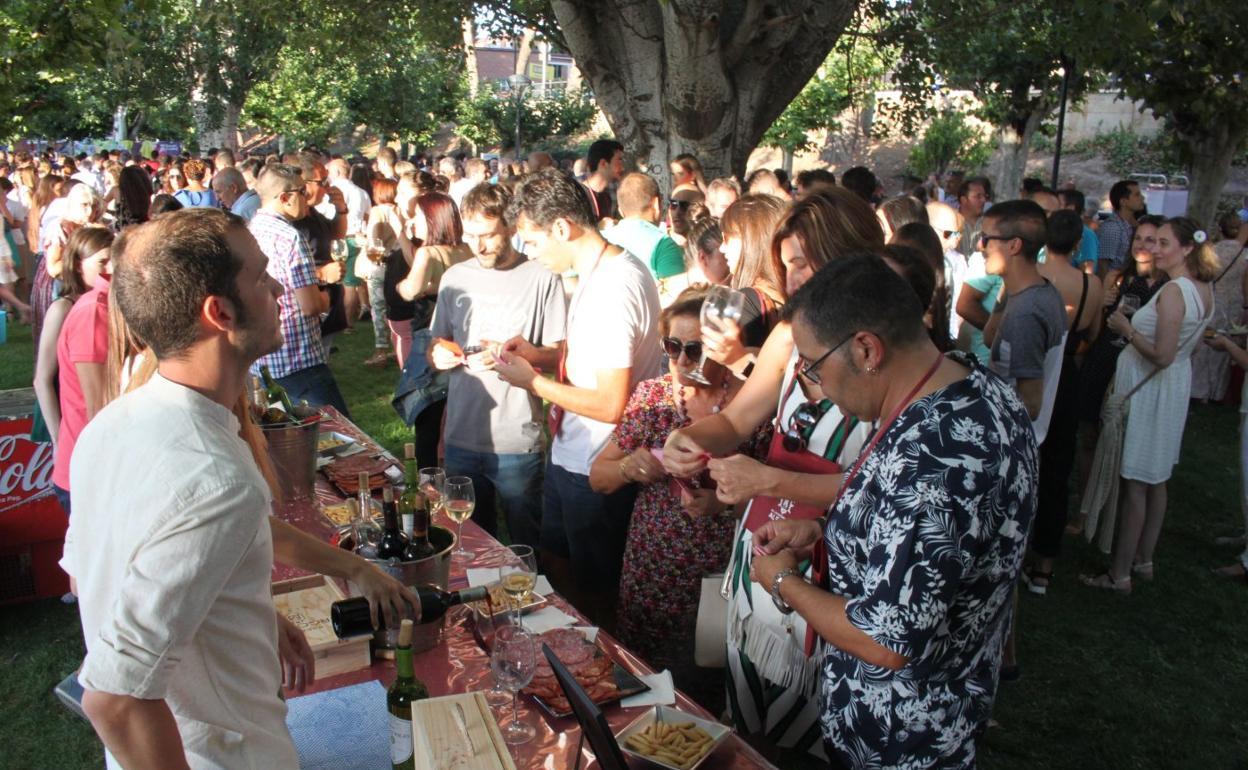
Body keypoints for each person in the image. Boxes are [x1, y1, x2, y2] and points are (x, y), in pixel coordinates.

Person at [750, 254, 1036, 769]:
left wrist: (781, 581)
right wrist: (821, 529)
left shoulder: (935, 459)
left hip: (901, 737)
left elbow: (886, 640)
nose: (817, 383)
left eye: (815, 365)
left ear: (865, 349)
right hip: (937, 713)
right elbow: (915, 532)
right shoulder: (970, 386)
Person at [63, 208, 303, 768]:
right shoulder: (218, 481)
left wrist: (243, 613)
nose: (277, 289)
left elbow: (95, 571)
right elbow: (115, 698)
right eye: (262, 276)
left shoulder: (112, 425)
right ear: (219, 312)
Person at [661, 196, 882, 763]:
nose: (794, 276)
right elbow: (738, 419)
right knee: (750, 713)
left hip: (835, 564)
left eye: (805, 261)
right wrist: (689, 439)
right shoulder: (789, 333)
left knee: (811, 736)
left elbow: (878, 484)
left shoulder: (882, 351)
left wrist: (767, 480)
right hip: (761, 548)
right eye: (787, 263)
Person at [493, 167, 662, 625]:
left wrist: (533, 382)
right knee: (559, 572)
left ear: (562, 228)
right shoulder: (598, 270)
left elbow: (612, 402)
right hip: (574, 455)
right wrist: (543, 356)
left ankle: (599, 680)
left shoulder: (614, 285)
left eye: (532, 241)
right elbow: (596, 355)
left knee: (594, 600)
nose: (529, 253)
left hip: (601, 464)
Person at [588, 287, 770, 703]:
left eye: (695, 348)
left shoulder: (754, 404)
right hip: (651, 567)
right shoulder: (652, 398)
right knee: (643, 680)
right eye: (672, 348)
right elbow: (597, 477)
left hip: (719, 573)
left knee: (707, 680)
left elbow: (777, 494)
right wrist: (626, 467)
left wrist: (725, 504)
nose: (683, 361)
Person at [1081, 217, 1217, 592]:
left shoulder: (1176, 291)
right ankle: (1144, 560)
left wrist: (1127, 330)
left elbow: (1162, 355)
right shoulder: (1203, 288)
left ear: (1187, 248)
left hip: (1153, 388)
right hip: (1171, 387)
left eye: (1163, 243)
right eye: (1152, 241)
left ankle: (1120, 572)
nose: (1154, 249)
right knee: (1157, 480)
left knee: (1138, 481)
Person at [429, 183, 565, 548]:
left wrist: (521, 356)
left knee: (528, 545)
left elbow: (559, 355)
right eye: (471, 236)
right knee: (470, 546)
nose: (479, 246)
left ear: (510, 226)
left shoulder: (542, 277)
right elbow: (436, 341)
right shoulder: (455, 279)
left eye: (488, 235)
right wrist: (439, 354)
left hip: (517, 440)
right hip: (461, 437)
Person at [1022, 210, 1102, 594]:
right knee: (1057, 469)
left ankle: (1015, 552)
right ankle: (1044, 567)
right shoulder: (1090, 285)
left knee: (1023, 466)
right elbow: (1092, 333)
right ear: (1076, 244)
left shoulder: (1031, 281)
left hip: (1032, 372)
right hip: (1067, 374)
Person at [1071, 216, 1168, 534]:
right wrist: (1103, 305)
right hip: (1102, 358)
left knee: (1120, 441)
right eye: (1138, 238)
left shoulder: (1167, 289)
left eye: (1151, 240)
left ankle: (1111, 514)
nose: (1142, 245)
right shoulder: (1117, 276)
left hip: (1133, 366)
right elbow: (1096, 328)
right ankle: (1086, 511)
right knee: (1088, 435)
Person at [248, 164, 349, 414]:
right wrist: (328, 294)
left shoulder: (251, 229)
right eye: (302, 191)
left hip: (264, 359)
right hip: (300, 361)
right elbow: (311, 305)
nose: (307, 198)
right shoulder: (290, 236)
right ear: (284, 198)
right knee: (342, 440)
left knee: (286, 439)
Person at [33, 227, 113, 492]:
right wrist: (57, 438)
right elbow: (42, 379)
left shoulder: (107, 303)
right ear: (79, 265)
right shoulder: (64, 308)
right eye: (102, 261)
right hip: (74, 426)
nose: (110, 268)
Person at [1189, 217, 1248, 402]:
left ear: (1220, 230)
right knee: (1226, 349)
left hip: (1214, 302)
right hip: (1236, 305)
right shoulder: (1244, 254)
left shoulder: (1212, 252)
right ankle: (1217, 392)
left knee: (1206, 344)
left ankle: (1198, 391)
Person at [603, 172, 686, 280]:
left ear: (621, 211)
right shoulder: (663, 244)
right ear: (656, 204)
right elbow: (678, 294)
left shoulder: (600, 239)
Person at [1097, 180, 1146, 277]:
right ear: (1123, 201)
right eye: (1137, 195)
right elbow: (1103, 265)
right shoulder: (1112, 227)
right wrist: (1106, 289)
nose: (1142, 198)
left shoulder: (1135, 225)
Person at [1057, 188, 1100, 273]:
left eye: (1058, 204)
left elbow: (1088, 273)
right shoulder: (1055, 231)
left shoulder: (1086, 235)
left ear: (1071, 208)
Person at [584, 139, 624, 223]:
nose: (623, 167)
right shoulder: (578, 194)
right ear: (603, 163)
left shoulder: (607, 197)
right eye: (619, 160)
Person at [957, 176, 991, 257]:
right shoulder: (950, 223)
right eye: (978, 196)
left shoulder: (989, 224)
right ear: (963, 200)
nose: (983, 200)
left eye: (984, 196)